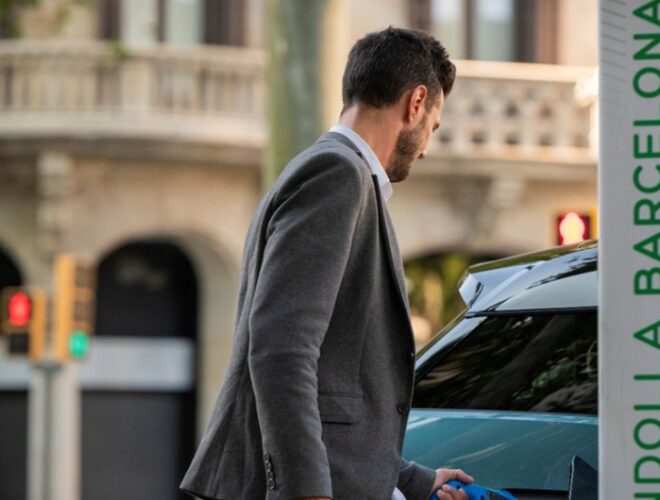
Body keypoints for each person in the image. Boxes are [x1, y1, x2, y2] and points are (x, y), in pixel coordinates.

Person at [180, 27, 473, 500]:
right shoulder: (338, 174)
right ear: (416, 103)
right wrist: (306, 492)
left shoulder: (340, 174)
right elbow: (281, 349)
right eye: (433, 128)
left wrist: (411, 480)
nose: (425, 147)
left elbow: (335, 392)